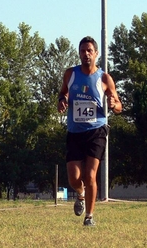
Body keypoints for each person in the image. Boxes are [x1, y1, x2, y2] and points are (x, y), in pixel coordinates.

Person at [57, 36, 122, 226]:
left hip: (96, 130)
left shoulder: (104, 78)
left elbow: (119, 106)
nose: (85, 54)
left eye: (89, 51)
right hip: (75, 132)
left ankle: (89, 217)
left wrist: (113, 104)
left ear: (96, 54)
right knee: (74, 178)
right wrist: (62, 101)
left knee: (90, 175)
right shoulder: (70, 74)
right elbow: (62, 93)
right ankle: (80, 193)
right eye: (82, 51)